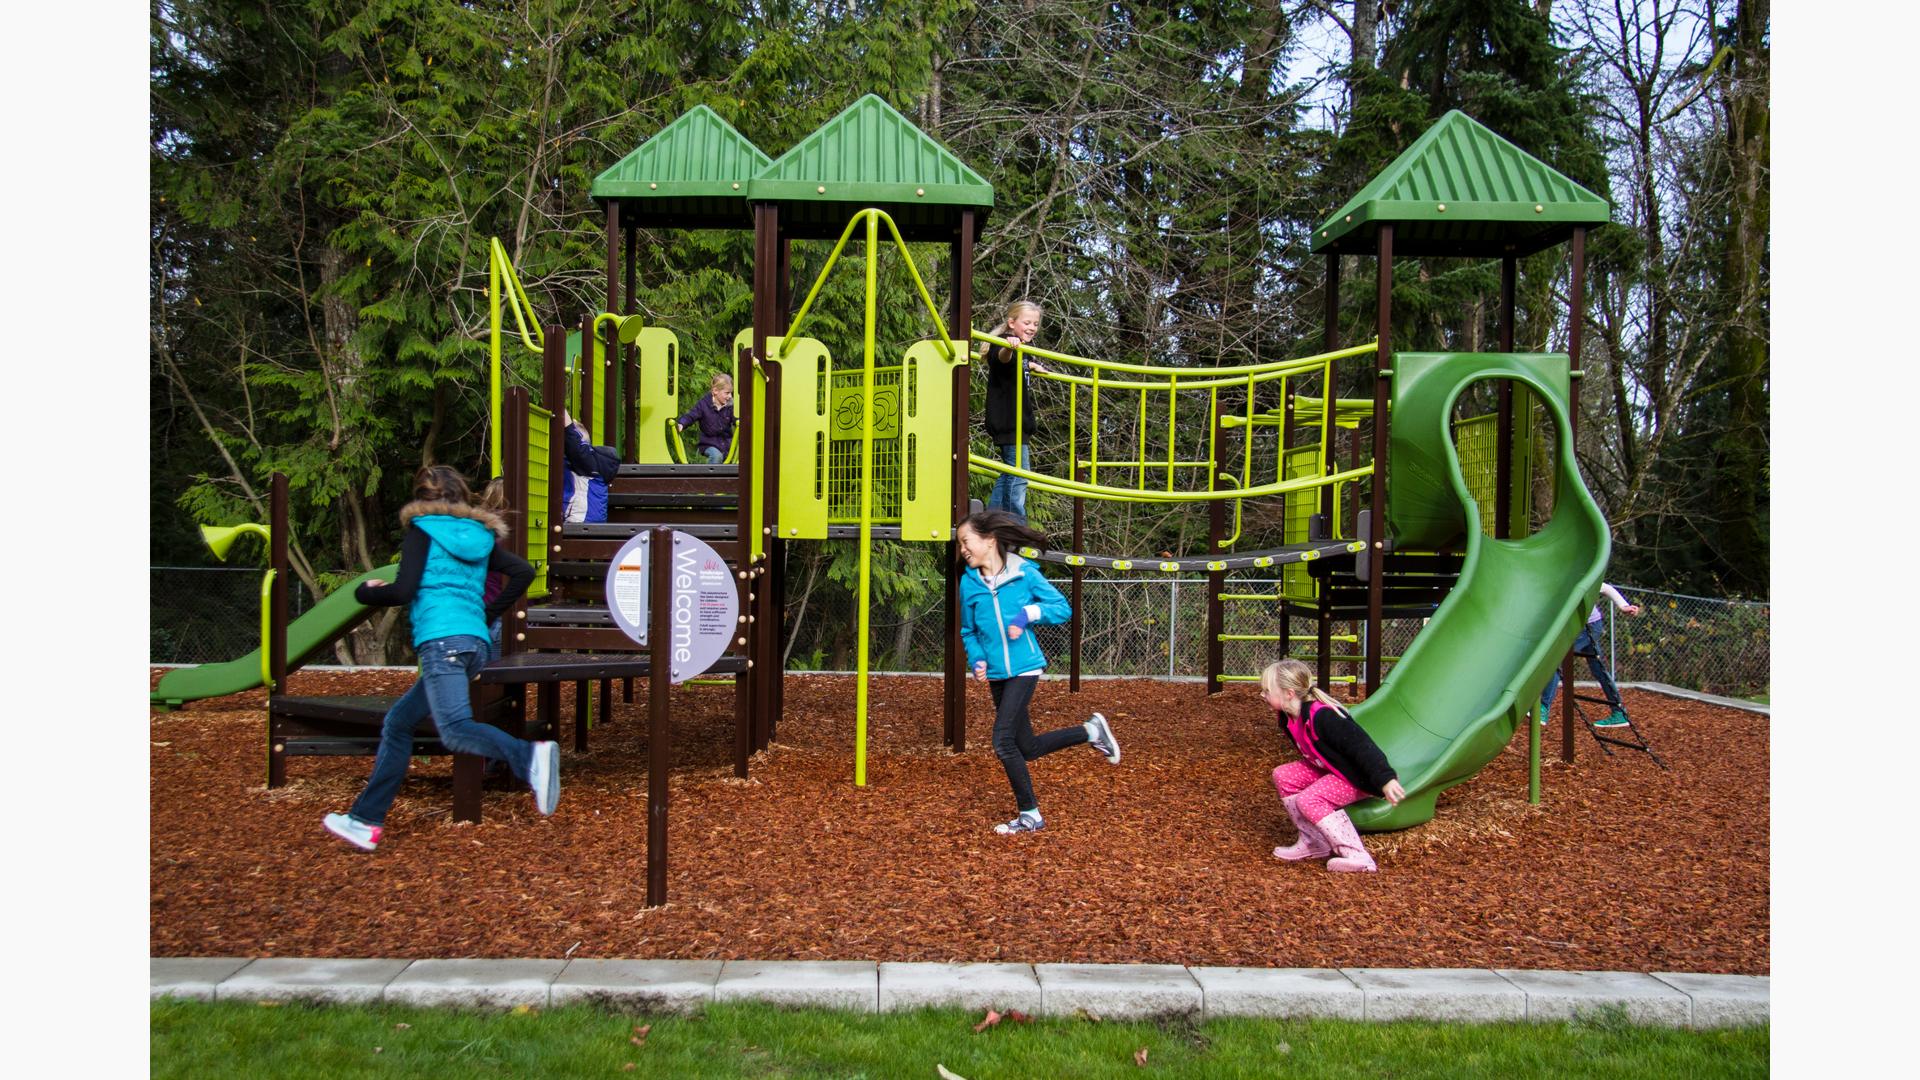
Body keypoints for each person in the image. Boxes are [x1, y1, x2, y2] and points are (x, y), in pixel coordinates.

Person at [322, 465, 555, 852]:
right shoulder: (480, 536)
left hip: (442, 643)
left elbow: (403, 591)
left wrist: (366, 592)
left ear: (420, 499)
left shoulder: (422, 532)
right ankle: (364, 820)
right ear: (462, 496)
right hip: (472, 644)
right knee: (399, 723)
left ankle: (530, 756)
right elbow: (522, 572)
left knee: (455, 729)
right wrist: (487, 614)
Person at [956, 509, 1119, 834]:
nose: (962, 550)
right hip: (998, 674)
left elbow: (1062, 609)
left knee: (1002, 741)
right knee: (1026, 747)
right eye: (960, 544)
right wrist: (977, 659)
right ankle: (1090, 731)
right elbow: (969, 631)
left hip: (1026, 668)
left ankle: (1030, 814)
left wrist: (1028, 613)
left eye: (965, 541)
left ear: (989, 540)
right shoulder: (968, 583)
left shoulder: (1025, 574)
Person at [1262, 658, 1406, 873]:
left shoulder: (1323, 716)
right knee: (1284, 775)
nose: (1262, 695)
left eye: (1267, 690)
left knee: (1309, 800)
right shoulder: (1288, 717)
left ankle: (1357, 855)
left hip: (1355, 777)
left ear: (1289, 693)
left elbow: (1362, 746)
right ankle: (1313, 842)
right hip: (1329, 769)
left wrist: (1385, 779)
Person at [980, 301, 1049, 523]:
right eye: (1026, 322)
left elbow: (1015, 366)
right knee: (1019, 475)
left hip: (1018, 421)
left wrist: (1031, 365)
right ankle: (1013, 522)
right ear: (1011, 323)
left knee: (1012, 471)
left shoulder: (1023, 350)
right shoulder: (1002, 344)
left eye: (1035, 324)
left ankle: (993, 519)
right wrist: (1009, 347)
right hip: (1009, 420)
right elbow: (1002, 358)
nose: (1032, 327)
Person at [1540, 583, 1642, 728]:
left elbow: (1606, 588)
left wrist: (1623, 606)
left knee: (1555, 659)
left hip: (1589, 626)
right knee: (1598, 669)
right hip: (1580, 626)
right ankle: (1619, 712)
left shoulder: (1578, 573)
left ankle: (1543, 708)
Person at [560, 410, 620, 523]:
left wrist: (561, 410)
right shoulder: (589, 464)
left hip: (581, 522)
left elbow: (573, 441)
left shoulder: (589, 463)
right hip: (587, 522)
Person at [678, 372, 737, 465]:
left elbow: (736, 418)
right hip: (709, 443)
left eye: (731, 393)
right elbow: (691, 415)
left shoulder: (730, 406)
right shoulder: (704, 404)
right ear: (715, 391)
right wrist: (681, 423)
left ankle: (725, 479)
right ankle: (711, 479)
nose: (730, 396)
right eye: (727, 393)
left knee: (736, 459)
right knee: (717, 457)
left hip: (726, 444)